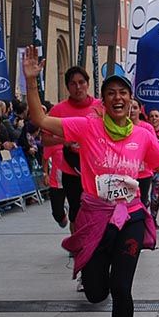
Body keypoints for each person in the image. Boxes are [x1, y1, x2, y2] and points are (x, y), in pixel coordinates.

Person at [23, 46, 159, 317]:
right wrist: (32, 82)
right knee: (97, 292)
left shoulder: (143, 135)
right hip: (95, 218)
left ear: (130, 101)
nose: (118, 98)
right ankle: (96, 275)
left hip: (130, 216)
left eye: (123, 93)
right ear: (103, 101)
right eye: (111, 93)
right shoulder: (87, 127)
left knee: (122, 287)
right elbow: (40, 119)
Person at [46, 66, 99, 233]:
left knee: (97, 209)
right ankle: (77, 246)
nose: (78, 87)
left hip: (96, 169)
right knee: (76, 211)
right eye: (73, 84)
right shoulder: (58, 110)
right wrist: (66, 140)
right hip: (71, 170)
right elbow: (45, 139)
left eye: (81, 82)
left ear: (88, 84)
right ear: (67, 87)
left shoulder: (100, 107)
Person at [130, 99, 156, 208]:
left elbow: (154, 148)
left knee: (142, 202)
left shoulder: (147, 127)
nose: (132, 111)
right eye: (129, 107)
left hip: (144, 172)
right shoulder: (119, 127)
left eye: (135, 108)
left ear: (140, 111)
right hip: (127, 172)